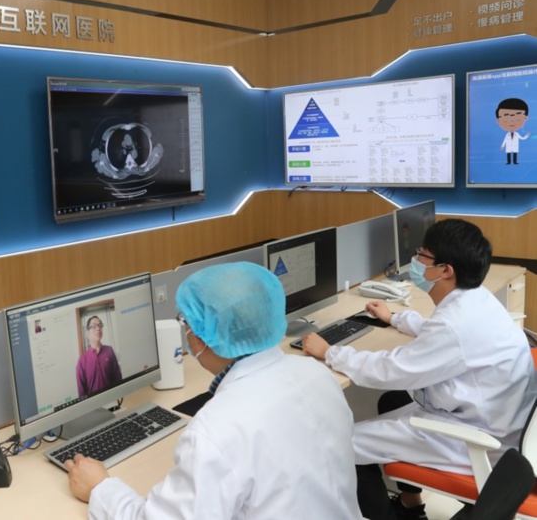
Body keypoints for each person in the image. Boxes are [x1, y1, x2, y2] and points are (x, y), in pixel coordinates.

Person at [65, 262, 361, 519]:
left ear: (200, 337)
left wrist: (101, 488)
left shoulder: (216, 429)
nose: (188, 332)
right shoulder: (316, 374)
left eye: (187, 322)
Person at [302, 219, 537, 520]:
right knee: (392, 401)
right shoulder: (477, 300)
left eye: (422, 255)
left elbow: (391, 369)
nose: (415, 261)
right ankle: (411, 507)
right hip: (496, 419)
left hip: (477, 438)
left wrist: (330, 352)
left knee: (343, 444)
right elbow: (444, 337)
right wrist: (397, 319)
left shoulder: (455, 324)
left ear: (445, 270)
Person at [76, 315, 122, 397]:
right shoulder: (82, 360)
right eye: (93, 326)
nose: (98, 328)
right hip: (94, 405)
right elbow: (82, 392)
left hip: (112, 399)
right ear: (88, 333)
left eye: (100, 325)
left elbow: (118, 378)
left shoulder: (109, 350)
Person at [497, 97, 530, 165]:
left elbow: (522, 138)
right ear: (498, 120)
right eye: (506, 116)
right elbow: (505, 140)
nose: (512, 120)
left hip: (515, 146)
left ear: (525, 118)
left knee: (515, 154)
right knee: (508, 154)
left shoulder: (517, 134)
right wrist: (502, 146)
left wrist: (526, 136)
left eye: (517, 116)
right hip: (508, 146)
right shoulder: (507, 135)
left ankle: (515, 162)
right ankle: (508, 162)